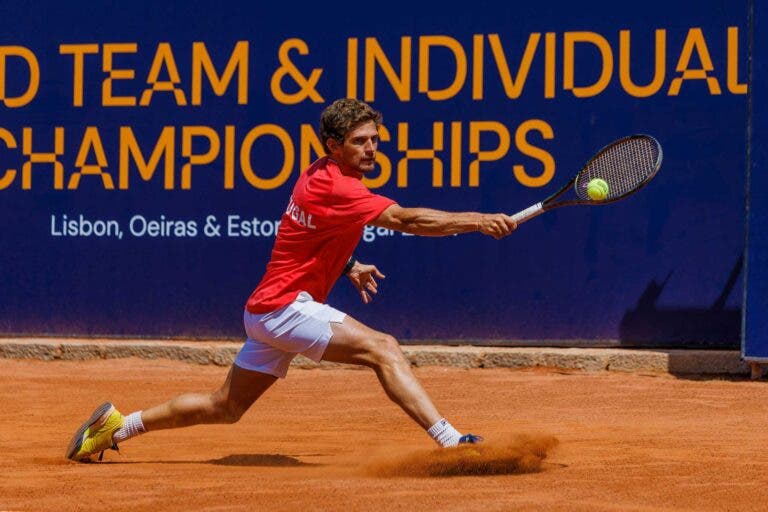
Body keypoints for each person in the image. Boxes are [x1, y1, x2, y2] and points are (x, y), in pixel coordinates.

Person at [66, 98, 517, 462]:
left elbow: (308, 238)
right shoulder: (339, 186)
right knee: (384, 348)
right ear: (333, 144)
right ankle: (451, 441)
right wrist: (477, 220)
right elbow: (406, 219)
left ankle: (116, 427)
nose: (371, 148)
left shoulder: (321, 175)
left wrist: (348, 266)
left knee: (225, 407)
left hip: (266, 311)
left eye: (375, 139)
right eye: (360, 141)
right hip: (284, 308)